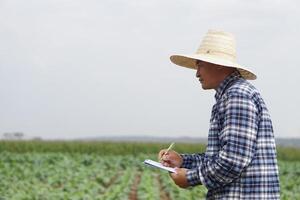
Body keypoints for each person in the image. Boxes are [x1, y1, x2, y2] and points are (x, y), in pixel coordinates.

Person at [158, 30, 280, 199]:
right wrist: (182, 161)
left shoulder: (237, 95)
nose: (197, 73)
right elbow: (220, 157)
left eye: (200, 64)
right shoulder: (231, 95)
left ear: (218, 64)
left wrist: (190, 178)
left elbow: (232, 160)